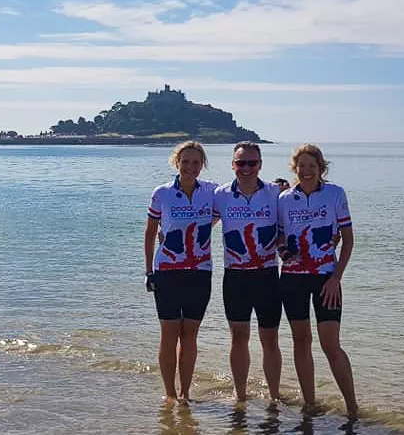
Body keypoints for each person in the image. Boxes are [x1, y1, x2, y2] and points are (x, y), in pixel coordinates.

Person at [277, 144, 359, 419]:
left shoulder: (335, 194)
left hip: (327, 279)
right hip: (292, 279)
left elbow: (347, 241)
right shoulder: (285, 199)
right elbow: (279, 238)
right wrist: (284, 251)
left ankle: (352, 407)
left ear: (321, 168)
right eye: (302, 166)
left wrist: (337, 278)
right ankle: (309, 403)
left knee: (330, 344)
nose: (307, 171)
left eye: (312, 166)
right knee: (301, 341)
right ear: (295, 168)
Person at [144, 141, 218, 403]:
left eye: (196, 162)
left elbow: (234, 207)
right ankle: (170, 394)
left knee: (190, 337)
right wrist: (148, 270)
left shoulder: (212, 191)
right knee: (169, 334)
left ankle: (186, 393)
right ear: (177, 162)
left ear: (202, 165)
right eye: (185, 161)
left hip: (200, 273)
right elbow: (151, 233)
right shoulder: (161, 193)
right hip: (167, 273)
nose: (190, 167)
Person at [212, 141, 283, 402]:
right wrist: (166, 231)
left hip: (267, 276)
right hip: (235, 278)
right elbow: (199, 220)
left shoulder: (276, 193)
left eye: (252, 163)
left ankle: (274, 397)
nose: (246, 168)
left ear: (260, 165)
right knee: (239, 337)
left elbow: (299, 217)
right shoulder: (220, 194)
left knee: (270, 340)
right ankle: (239, 396)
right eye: (241, 163)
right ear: (233, 165)